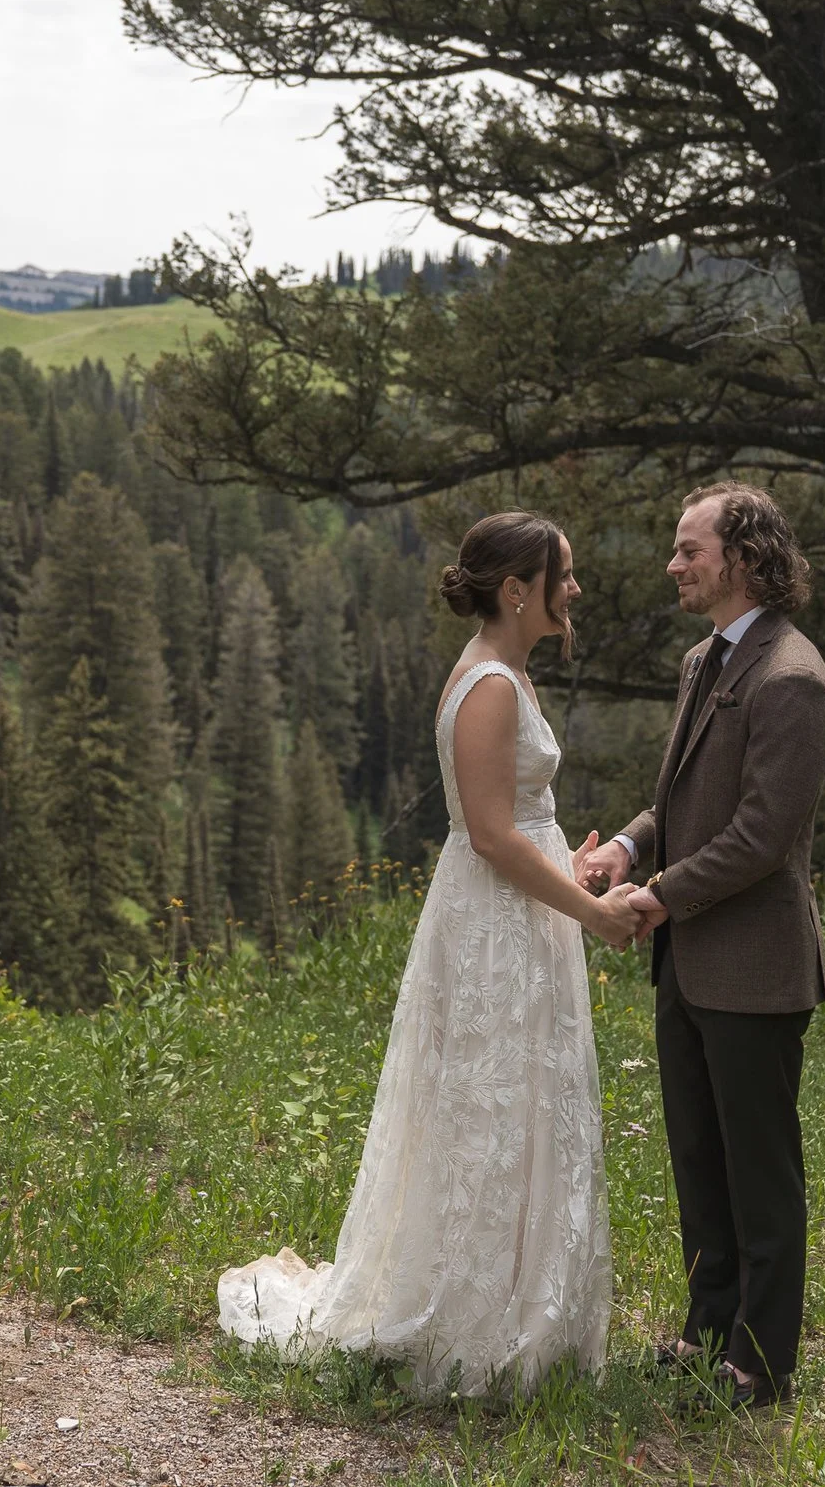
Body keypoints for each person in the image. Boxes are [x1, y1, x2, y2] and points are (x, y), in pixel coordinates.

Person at [216, 511, 650, 1396]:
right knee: (490, 1109)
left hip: (514, 916)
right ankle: (472, 1324)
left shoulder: (505, 676)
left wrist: (569, 863)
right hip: (496, 928)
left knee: (517, 1104)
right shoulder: (490, 686)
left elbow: (510, 823)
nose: (574, 590)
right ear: (516, 591)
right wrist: (592, 913)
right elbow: (490, 835)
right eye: (562, 576)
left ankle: (518, 1306)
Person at [580, 481, 825, 1413]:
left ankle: (762, 1365)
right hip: (689, 959)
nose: (673, 563)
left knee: (759, 1171)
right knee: (698, 1154)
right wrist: (628, 846)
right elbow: (684, 801)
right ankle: (706, 1330)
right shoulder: (706, 661)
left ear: (743, 558)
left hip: (755, 967)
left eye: (689, 549)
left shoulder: (793, 677)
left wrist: (659, 895)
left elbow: (762, 833)